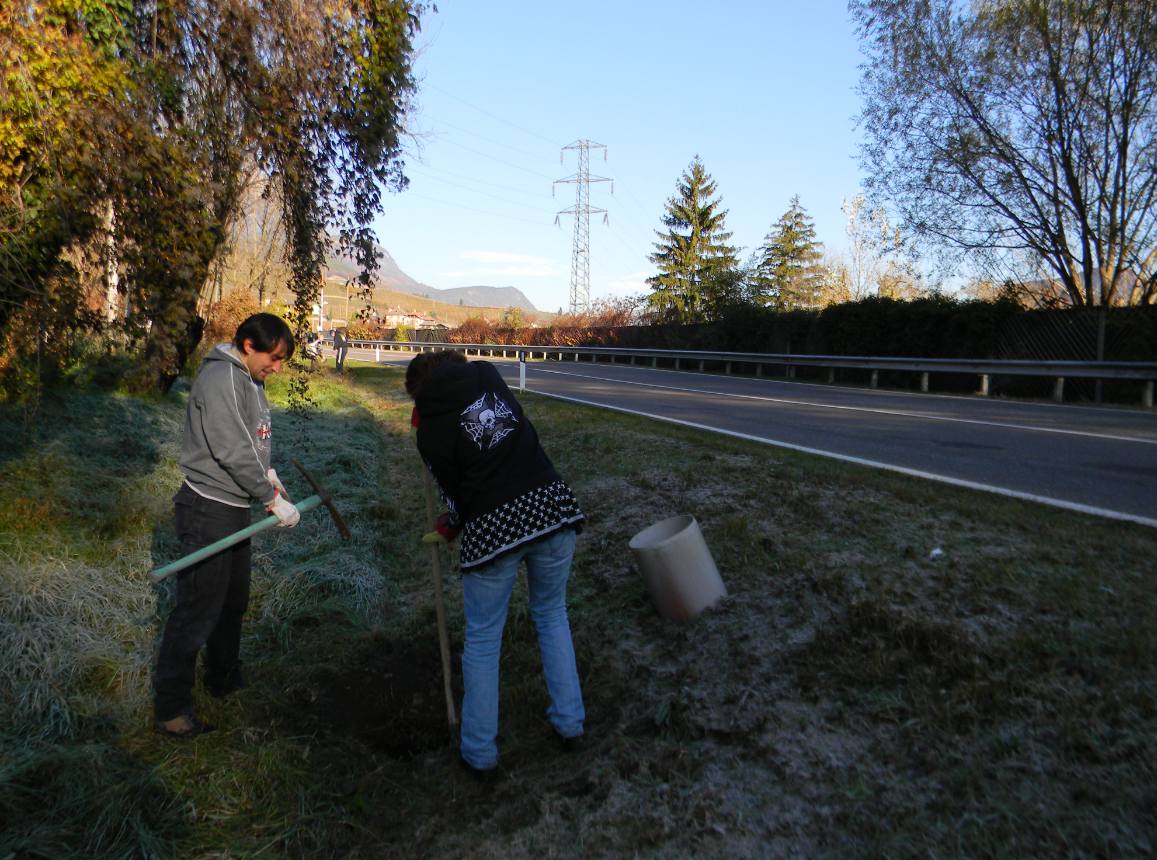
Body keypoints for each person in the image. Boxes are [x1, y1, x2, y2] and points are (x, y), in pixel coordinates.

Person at [406, 350, 586, 777]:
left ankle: (479, 753)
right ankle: (571, 722)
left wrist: (453, 521)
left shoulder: (429, 430)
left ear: (418, 395)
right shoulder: (486, 375)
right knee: (552, 614)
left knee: (485, 639)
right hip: (549, 505)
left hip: (495, 526)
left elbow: (456, 494)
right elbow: (510, 432)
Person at [153, 313, 301, 738]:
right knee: (198, 609)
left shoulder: (250, 379)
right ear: (249, 346)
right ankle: (171, 709)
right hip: (208, 507)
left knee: (232, 601)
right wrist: (269, 498)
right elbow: (231, 448)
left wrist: (267, 475)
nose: (277, 367)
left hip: (234, 504)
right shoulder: (221, 378)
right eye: (273, 358)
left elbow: (251, 440)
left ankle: (222, 677)